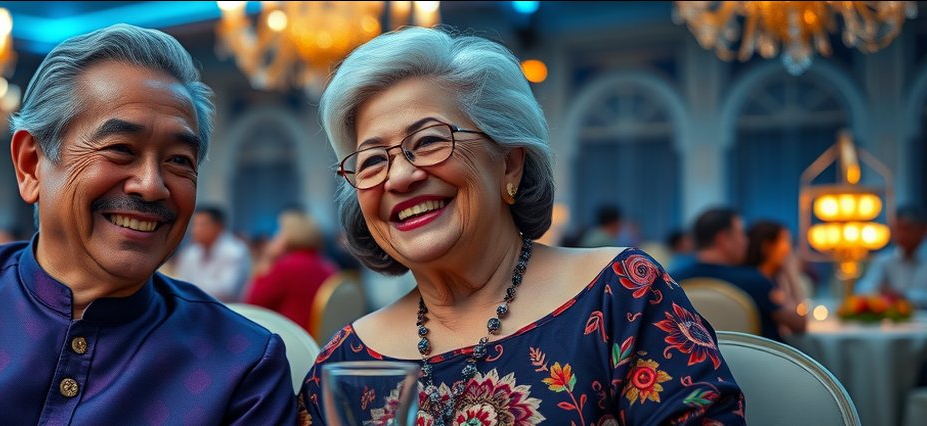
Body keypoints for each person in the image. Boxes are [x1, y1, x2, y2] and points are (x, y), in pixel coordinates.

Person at [0, 24, 294, 425]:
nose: (152, 186)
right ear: (30, 165)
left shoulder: (241, 364)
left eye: (179, 161)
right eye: (120, 150)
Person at [299, 27, 743, 424]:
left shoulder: (623, 297)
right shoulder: (341, 364)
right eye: (372, 161)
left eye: (430, 140)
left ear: (510, 164)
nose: (399, 177)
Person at [671, 209, 806, 341]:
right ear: (723, 239)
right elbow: (799, 324)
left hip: (696, 356)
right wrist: (791, 272)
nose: (746, 241)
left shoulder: (673, 281)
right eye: (741, 234)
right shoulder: (755, 281)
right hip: (750, 356)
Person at [245, 210, 338, 329]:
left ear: (288, 236)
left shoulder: (286, 267)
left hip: (292, 336)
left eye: (279, 232)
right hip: (319, 337)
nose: (274, 237)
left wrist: (267, 259)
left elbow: (252, 305)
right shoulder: (329, 266)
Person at [171, 206, 253, 302]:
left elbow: (227, 291)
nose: (194, 230)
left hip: (227, 307)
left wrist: (190, 288)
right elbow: (181, 284)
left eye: (202, 225)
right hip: (192, 304)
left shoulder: (235, 252)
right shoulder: (190, 253)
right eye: (194, 225)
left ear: (218, 226)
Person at [857, 205, 927, 307]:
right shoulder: (885, 260)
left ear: (922, 230)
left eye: (907, 229)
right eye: (898, 229)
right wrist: (880, 293)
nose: (902, 235)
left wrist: (903, 296)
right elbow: (864, 289)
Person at [745, 220, 810, 311]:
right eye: (784, 241)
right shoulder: (759, 283)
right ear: (766, 246)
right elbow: (799, 315)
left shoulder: (776, 279)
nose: (788, 249)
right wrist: (792, 274)